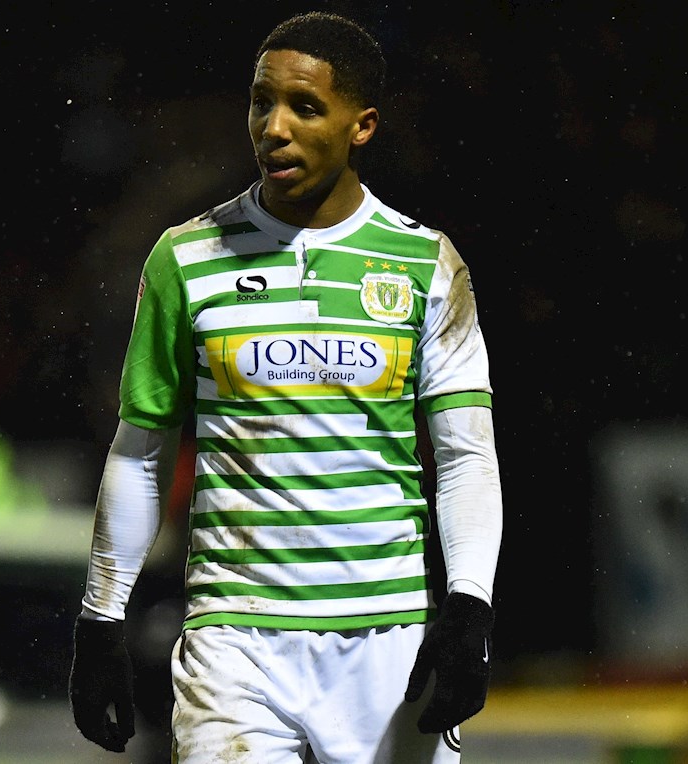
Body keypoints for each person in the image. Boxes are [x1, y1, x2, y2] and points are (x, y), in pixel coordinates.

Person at [68, 11, 504, 764]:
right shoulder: (185, 258)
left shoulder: (426, 264)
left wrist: (469, 607)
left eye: (305, 107)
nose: (274, 128)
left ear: (361, 126)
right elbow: (140, 454)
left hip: (387, 643)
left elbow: (466, 456)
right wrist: (101, 618)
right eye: (261, 102)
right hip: (232, 644)